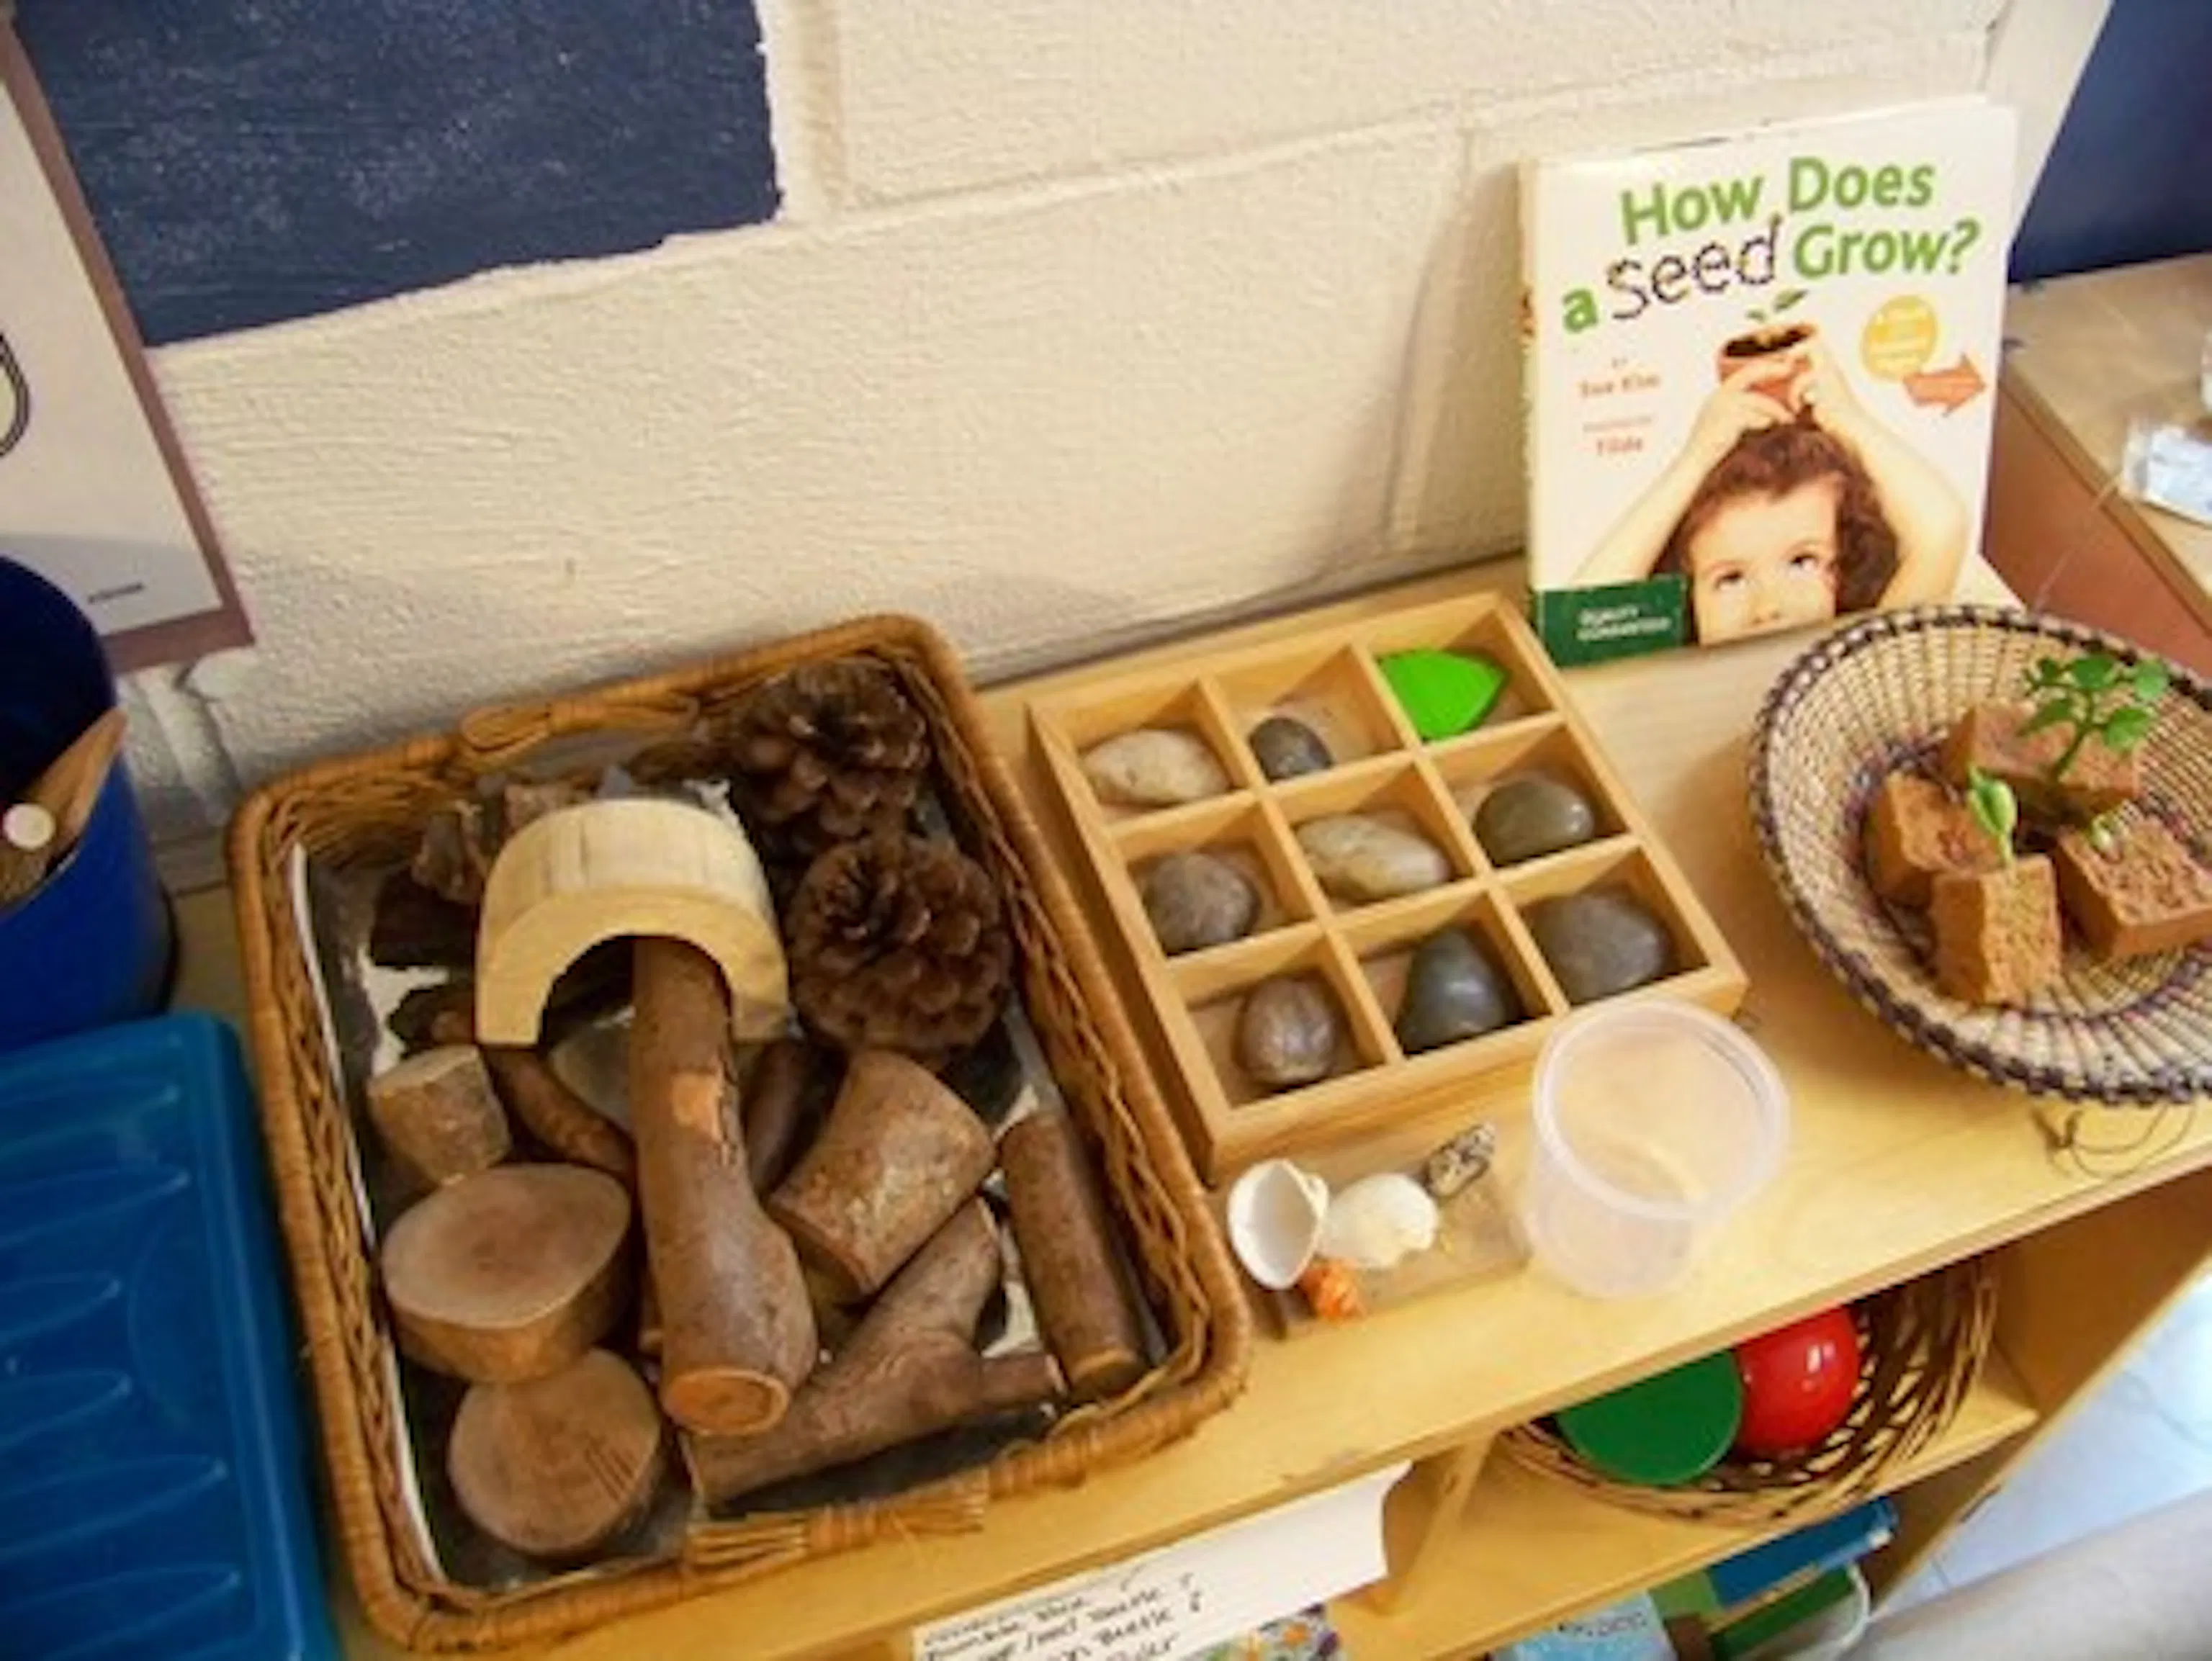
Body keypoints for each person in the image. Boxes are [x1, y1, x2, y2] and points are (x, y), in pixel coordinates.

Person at [1575, 331, 1968, 644]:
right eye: (1730, 579)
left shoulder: (1861, 668)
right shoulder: (1670, 674)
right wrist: (1694, 459)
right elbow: (1579, 622)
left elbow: (1942, 530)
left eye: (1802, 562)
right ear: (1689, 601)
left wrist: (1848, 419)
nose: (1768, 608)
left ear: (1848, 573)